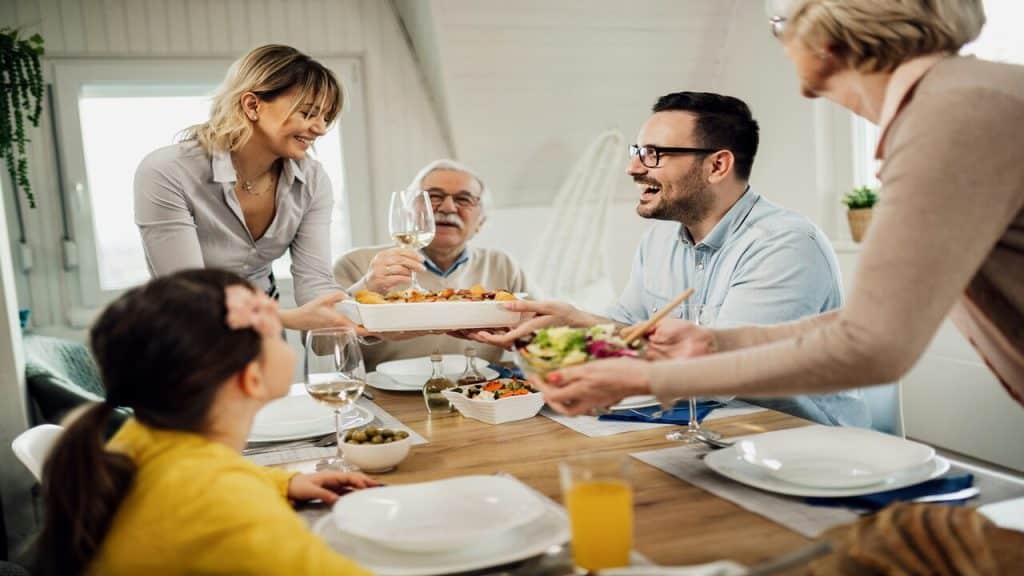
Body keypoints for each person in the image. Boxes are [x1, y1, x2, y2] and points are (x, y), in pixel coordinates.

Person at [532, 0, 1024, 417]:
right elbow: (860, 326)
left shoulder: (951, 116)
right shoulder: (960, 100)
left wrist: (650, 379)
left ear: (825, 34)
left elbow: (873, 344)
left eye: (779, 24)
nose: (782, 44)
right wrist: (714, 345)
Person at [475, 92, 868, 426]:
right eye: (637, 152)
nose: (633, 168)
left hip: (800, 442)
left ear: (717, 166)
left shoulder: (785, 245)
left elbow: (720, 374)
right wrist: (573, 320)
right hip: (712, 430)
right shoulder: (659, 240)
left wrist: (592, 342)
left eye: (653, 154)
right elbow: (629, 330)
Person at [35, 269, 376, 576]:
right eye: (274, 330)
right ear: (251, 379)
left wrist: (285, 483)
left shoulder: (142, 435)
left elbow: (197, 479)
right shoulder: (224, 504)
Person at [134, 45, 359, 332]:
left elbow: (315, 286)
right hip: (187, 338)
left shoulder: (312, 180)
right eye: (307, 113)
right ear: (252, 105)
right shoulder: (167, 171)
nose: (321, 129)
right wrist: (285, 319)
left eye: (325, 117)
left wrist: (376, 316)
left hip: (265, 334)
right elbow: (186, 296)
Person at [334, 159, 534, 369]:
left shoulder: (503, 265)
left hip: (483, 387)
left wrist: (525, 337)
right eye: (434, 196)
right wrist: (367, 287)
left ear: (481, 222)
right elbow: (321, 345)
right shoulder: (355, 263)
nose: (448, 207)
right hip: (381, 390)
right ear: (409, 212)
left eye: (464, 199)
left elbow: (542, 331)